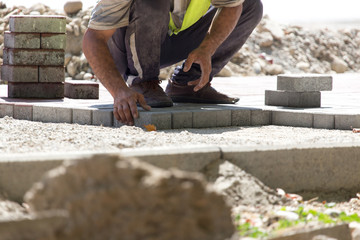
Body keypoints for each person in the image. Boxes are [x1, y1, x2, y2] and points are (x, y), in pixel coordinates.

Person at [83, 0, 263, 126]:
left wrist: (208, 47)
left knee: (249, 5)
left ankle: (189, 83)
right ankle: (143, 81)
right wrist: (119, 90)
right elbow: (93, 38)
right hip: (125, 49)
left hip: (168, 42)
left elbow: (232, 6)